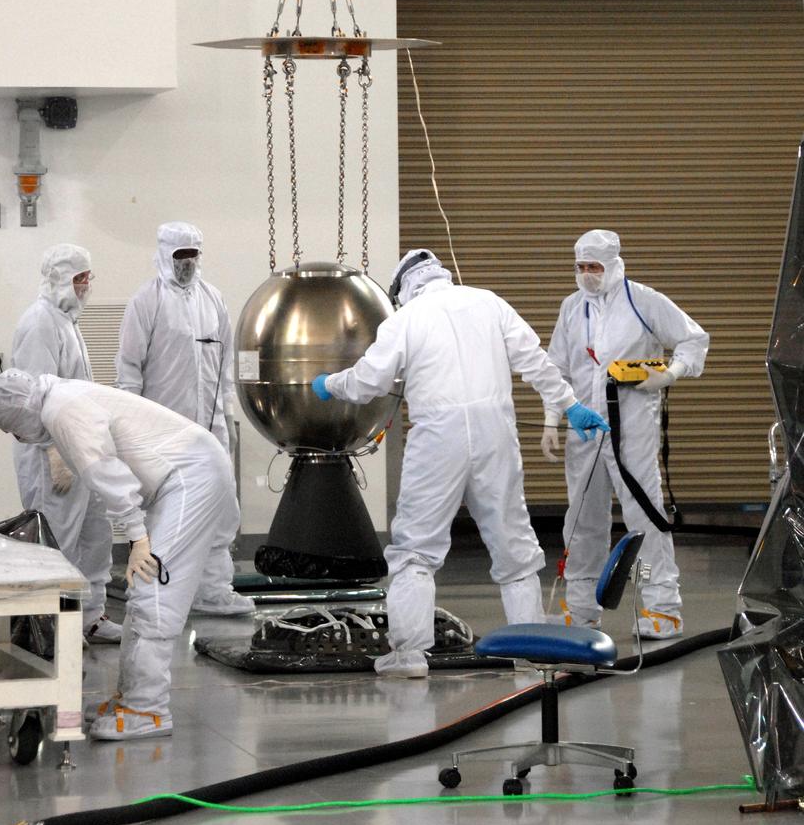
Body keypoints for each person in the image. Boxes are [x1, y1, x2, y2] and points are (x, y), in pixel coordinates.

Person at [310, 249, 608, 678]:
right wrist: (571, 406)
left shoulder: (405, 319)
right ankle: (531, 651)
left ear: (404, 289)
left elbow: (369, 381)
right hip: (495, 435)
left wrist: (330, 384)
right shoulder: (489, 302)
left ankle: (409, 655)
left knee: (415, 548)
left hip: (437, 440)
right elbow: (535, 363)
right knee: (514, 546)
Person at [0, 370, 238, 740]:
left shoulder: (61, 409)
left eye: (12, 429)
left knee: (154, 591)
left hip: (190, 477)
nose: (18, 437)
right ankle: (132, 697)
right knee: (142, 593)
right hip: (183, 475)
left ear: (20, 412)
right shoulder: (62, 399)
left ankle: (148, 710)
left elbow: (106, 473)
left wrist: (138, 538)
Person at [541, 229, 709, 638]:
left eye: (594, 267)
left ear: (614, 265)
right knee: (581, 521)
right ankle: (580, 610)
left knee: (644, 517)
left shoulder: (645, 301)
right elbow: (556, 367)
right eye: (580, 267)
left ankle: (661, 607)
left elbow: (693, 340)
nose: (587, 275)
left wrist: (668, 374)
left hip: (631, 429)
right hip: (585, 432)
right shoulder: (571, 307)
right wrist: (551, 417)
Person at [115, 222, 253, 616]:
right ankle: (161, 593)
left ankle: (214, 590)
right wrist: (129, 426)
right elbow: (128, 369)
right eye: (180, 255)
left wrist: (228, 412)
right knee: (163, 511)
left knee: (222, 508)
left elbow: (225, 362)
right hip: (162, 433)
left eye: (193, 255)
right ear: (164, 254)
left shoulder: (214, 299)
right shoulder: (147, 301)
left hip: (212, 430)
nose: (187, 263)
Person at [10, 243, 119, 645]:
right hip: (52, 456)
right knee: (57, 541)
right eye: (80, 278)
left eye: (88, 277)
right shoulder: (40, 323)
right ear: (60, 279)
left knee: (94, 534)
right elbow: (37, 394)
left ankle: (91, 617)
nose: (87, 285)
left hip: (80, 450)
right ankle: (53, 628)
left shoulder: (65, 319)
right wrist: (55, 453)